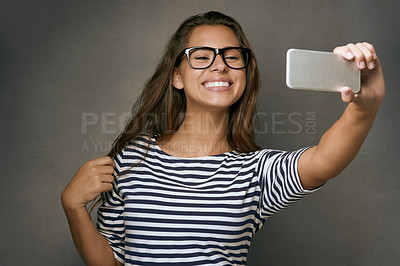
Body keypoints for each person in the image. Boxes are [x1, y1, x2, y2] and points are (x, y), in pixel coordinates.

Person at [61, 11, 385, 266]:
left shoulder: (254, 172)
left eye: (232, 56)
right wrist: (73, 206)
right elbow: (110, 261)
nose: (219, 66)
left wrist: (364, 108)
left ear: (245, 72)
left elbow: (324, 161)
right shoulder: (132, 159)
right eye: (201, 57)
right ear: (176, 75)